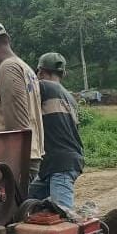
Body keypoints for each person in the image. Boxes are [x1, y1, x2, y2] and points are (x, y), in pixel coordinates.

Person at [0, 20, 44, 178]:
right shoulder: (25, 68)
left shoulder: (8, 69)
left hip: (12, 162)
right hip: (25, 156)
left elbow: (17, 127)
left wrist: (8, 174)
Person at [29, 53, 84, 208]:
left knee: (63, 213)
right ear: (63, 74)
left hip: (60, 164)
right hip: (61, 162)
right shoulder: (70, 98)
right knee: (26, 201)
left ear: (40, 72)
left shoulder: (42, 87)